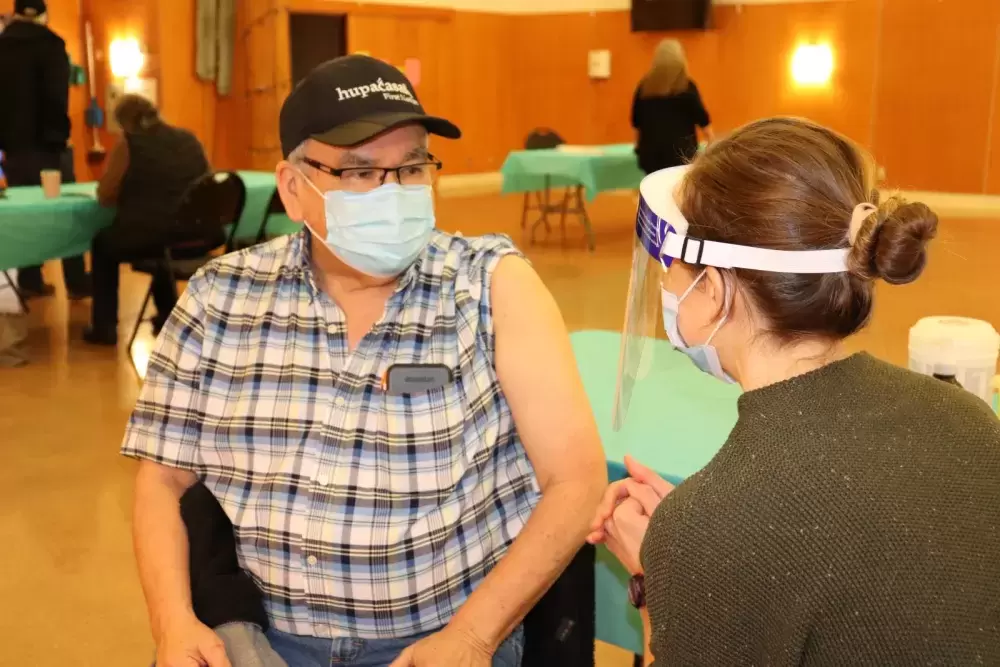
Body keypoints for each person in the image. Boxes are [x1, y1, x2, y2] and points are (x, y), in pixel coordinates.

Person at [121, 54, 606, 667]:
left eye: (411, 167)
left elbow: (577, 479)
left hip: (444, 637)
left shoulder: (490, 285)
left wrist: (472, 638)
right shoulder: (221, 297)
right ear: (295, 189)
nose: (393, 194)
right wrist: (173, 625)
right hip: (260, 637)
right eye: (358, 171)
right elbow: (162, 480)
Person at [589, 117, 1000, 665]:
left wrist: (663, 574)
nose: (665, 286)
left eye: (672, 270)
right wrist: (693, 547)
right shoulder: (969, 418)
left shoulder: (711, 528)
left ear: (712, 290)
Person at [83, 94, 211, 345]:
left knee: (104, 244)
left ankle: (104, 327)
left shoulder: (130, 144)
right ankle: (167, 315)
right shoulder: (189, 139)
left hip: (156, 236)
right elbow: (206, 183)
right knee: (162, 237)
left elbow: (105, 194)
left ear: (125, 123)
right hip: (197, 234)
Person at [0, 0, 90, 299]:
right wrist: (58, 137)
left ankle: (29, 279)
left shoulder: (2, 46)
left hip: (13, 146)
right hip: (47, 146)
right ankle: (76, 280)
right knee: (67, 212)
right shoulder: (51, 45)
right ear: (42, 14)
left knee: (26, 213)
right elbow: (56, 97)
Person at [630, 39, 714, 175]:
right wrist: (711, 142)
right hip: (681, 155)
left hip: (651, 156)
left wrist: (638, 147)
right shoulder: (687, 86)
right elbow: (702, 118)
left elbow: (636, 121)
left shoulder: (644, 87)